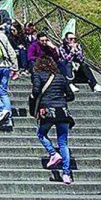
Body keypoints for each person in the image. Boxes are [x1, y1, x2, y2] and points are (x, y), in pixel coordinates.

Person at [31, 52, 75, 185]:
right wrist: (61, 100)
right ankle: (66, 174)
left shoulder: (38, 75)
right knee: (63, 143)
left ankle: (52, 152)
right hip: (62, 111)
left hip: (48, 111)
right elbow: (70, 95)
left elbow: (36, 91)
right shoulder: (61, 77)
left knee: (41, 133)